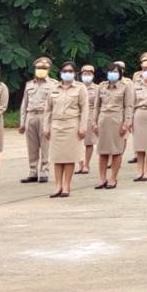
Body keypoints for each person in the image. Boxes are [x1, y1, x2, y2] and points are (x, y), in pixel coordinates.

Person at [44, 62, 91, 198]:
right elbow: (48, 109)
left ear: (75, 73)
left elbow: (84, 109)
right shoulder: (53, 88)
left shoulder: (80, 88)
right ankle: (58, 185)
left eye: (70, 71)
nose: (67, 73)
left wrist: (82, 128)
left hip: (72, 126)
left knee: (69, 158)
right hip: (56, 126)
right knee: (57, 158)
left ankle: (66, 186)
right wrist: (46, 127)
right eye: (65, 71)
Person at [93, 61, 133, 189]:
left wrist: (126, 124)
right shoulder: (102, 86)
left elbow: (128, 106)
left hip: (117, 120)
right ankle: (102, 178)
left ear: (120, 73)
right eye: (110, 71)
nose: (112, 74)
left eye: (115, 72)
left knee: (116, 151)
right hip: (103, 120)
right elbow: (96, 106)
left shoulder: (125, 86)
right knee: (102, 151)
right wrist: (93, 122)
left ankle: (113, 178)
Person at [19, 56, 55, 183]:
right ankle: (33, 171)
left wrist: (51, 123)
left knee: (45, 145)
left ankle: (44, 171)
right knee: (32, 146)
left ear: (48, 69)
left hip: (44, 116)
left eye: (44, 68)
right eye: (39, 67)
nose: (41, 69)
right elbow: (24, 104)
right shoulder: (29, 84)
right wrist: (22, 122)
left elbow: (54, 105)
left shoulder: (53, 84)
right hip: (31, 116)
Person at [77, 63, 99, 176]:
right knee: (77, 142)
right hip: (77, 116)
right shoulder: (76, 86)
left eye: (89, 73)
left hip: (90, 115)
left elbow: (98, 105)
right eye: (85, 73)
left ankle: (86, 164)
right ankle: (80, 164)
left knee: (88, 142)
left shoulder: (97, 88)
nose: (87, 75)